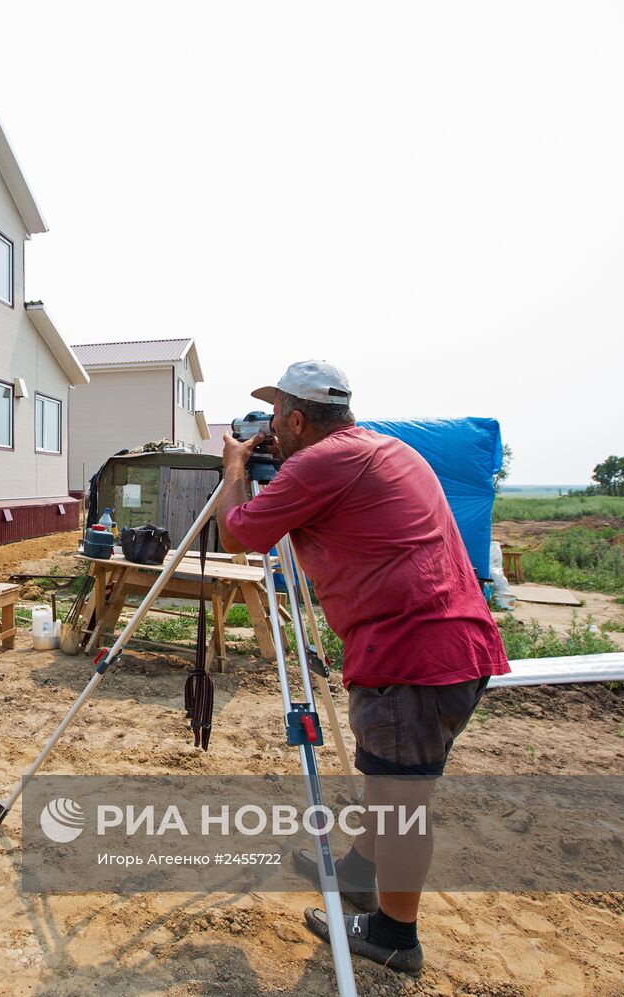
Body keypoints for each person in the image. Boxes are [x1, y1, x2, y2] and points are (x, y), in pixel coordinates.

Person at [215, 360, 510, 976]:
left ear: (297, 419)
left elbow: (240, 534)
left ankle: (395, 934)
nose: (269, 429)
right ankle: (357, 872)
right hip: (445, 648)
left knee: (400, 804)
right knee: (388, 787)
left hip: (412, 659)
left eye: (275, 418)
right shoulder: (382, 449)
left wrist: (236, 468)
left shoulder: (322, 464)